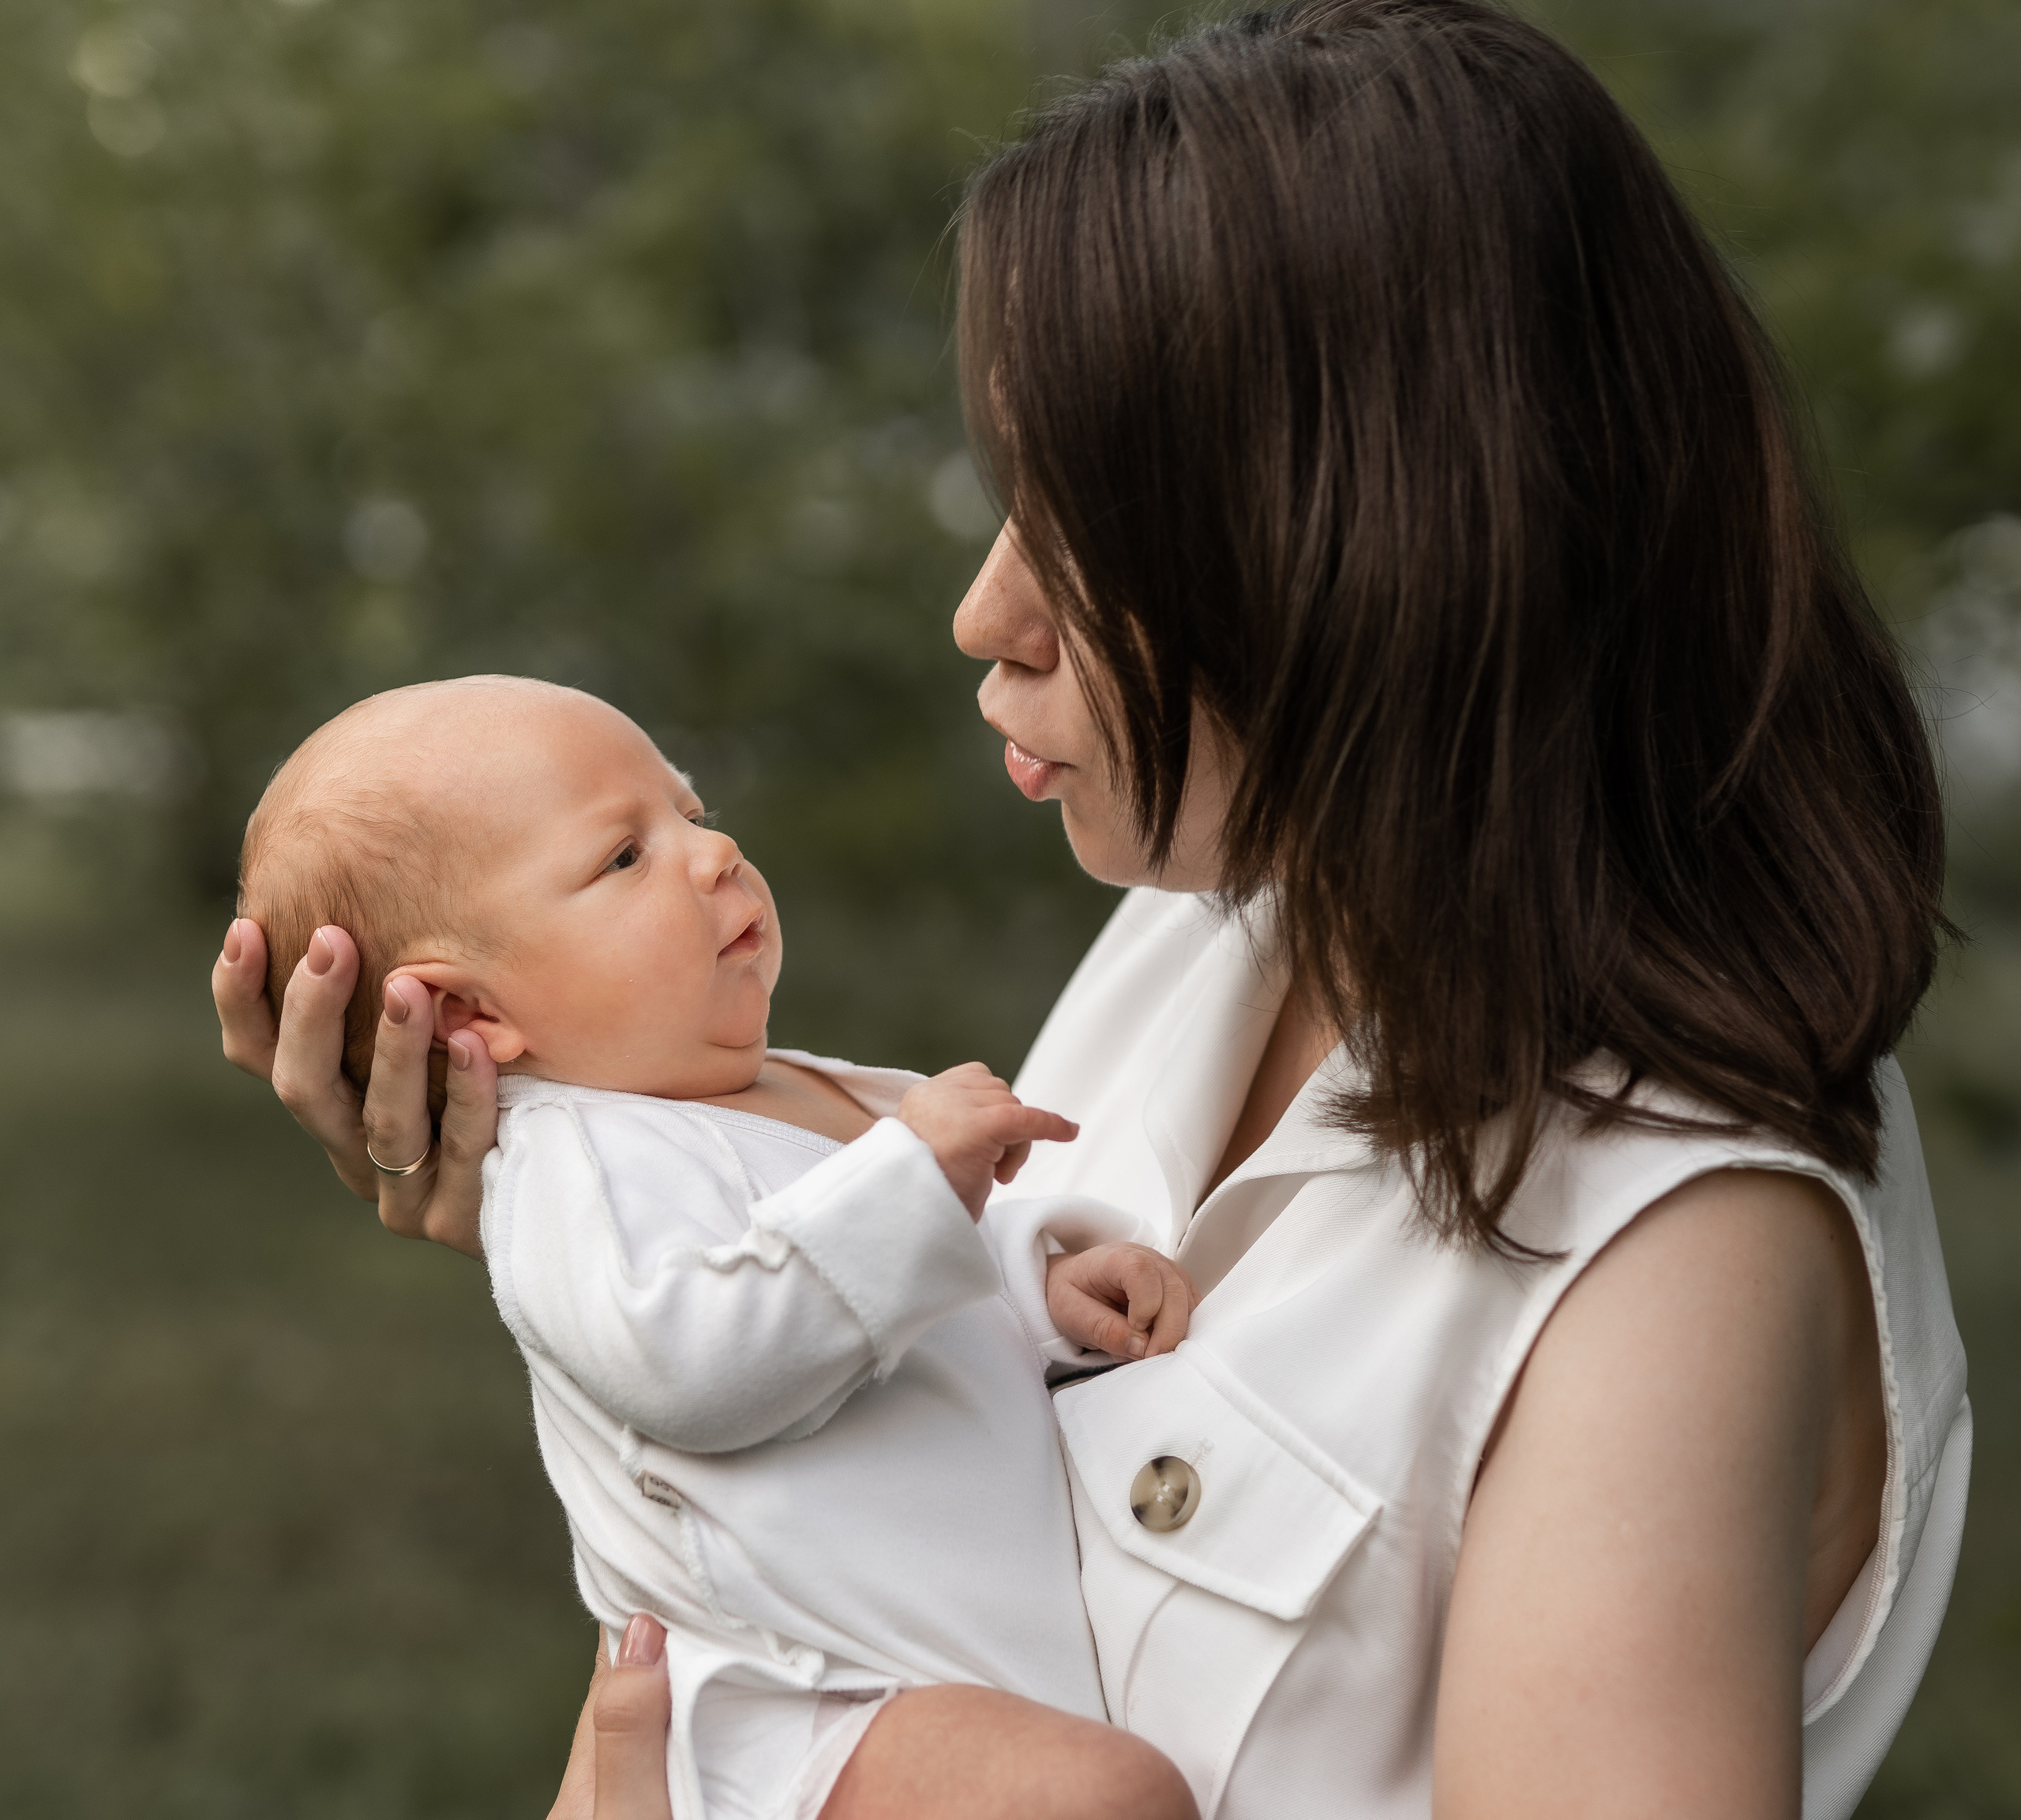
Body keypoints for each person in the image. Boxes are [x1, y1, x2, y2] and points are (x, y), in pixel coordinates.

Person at [214, 2, 1970, 1815]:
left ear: (1375, 544)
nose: (984, 611)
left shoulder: (1674, 1244)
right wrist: (611, 1165)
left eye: (1089, 524)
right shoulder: (1214, 932)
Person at [234, 676, 1200, 1820]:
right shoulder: (567, 1160)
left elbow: (914, 1304)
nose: (713, 851)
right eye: (622, 858)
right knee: (1106, 1798)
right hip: (806, 1705)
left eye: (688, 811)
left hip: (941, 1673)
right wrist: (917, 1181)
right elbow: (684, 1357)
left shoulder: (771, 1086)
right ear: (469, 1020)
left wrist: (1044, 1289)